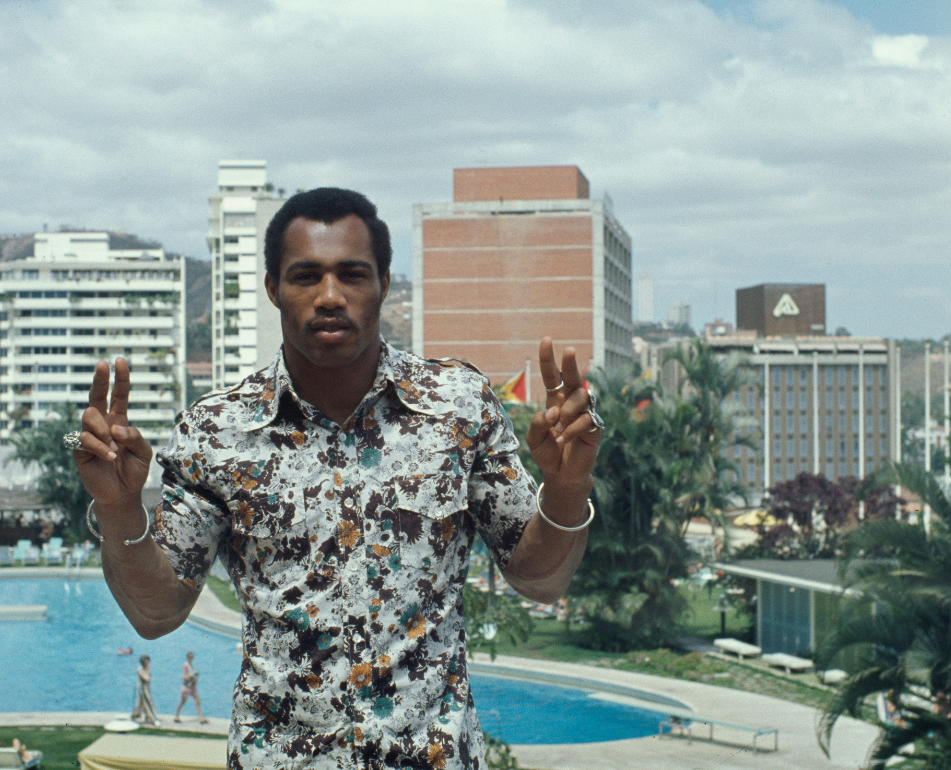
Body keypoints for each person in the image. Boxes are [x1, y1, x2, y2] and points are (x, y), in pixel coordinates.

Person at [67, 187, 601, 768]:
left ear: (384, 284)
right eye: (305, 277)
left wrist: (568, 487)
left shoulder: (458, 408)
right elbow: (156, 613)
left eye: (352, 274)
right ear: (272, 287)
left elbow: (541, 581)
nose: (329, 296)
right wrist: (121, 508)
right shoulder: (217, 432)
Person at [174, 651, 207, 724]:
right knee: (183, 701)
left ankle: (201, 717)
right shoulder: (186, 665)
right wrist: (192, 678)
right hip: (187, 686)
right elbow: (184, 676)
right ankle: (177, 716)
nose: (192, 658)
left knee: (197, 701)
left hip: (192, 686)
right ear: (188, 657)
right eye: (191, 657)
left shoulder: (191, 665)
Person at [130, 654, 160, 726]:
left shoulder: (147, 667)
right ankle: (153, 719)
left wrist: (148, 688)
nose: (146, 663)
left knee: (140, 703)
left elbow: (148, 680)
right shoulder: (140, 668)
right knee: (148, 702)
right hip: (141, 687)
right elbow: (146, 678)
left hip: (145, 687)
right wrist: (148, 674)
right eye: (145, 661)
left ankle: (135, 715)